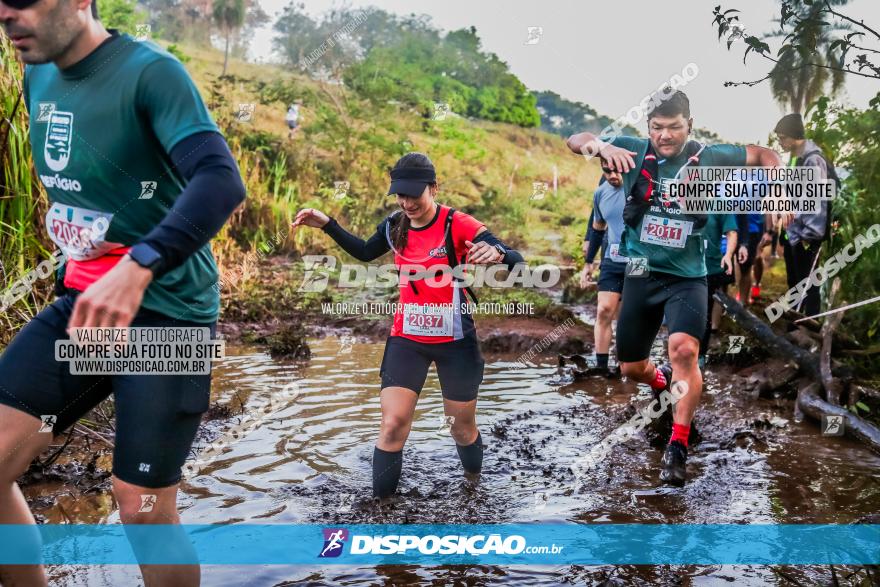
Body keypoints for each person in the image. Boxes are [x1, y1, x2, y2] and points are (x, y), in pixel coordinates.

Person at [0, 1, 246, 585]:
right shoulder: (36, 70)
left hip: (169, 316)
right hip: (86, 306)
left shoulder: (149, 73)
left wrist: (139, 265)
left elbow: (219, 179)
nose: (9, 14)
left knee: (139, 505)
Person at [566, 89, 782, 486]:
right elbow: (575, 140)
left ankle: (677, 447)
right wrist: (597, 146)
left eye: (674, 127)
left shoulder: (711, 156)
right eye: (657, 127)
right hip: (641, 271)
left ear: (690, 125)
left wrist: (777, 185)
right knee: (631, 367)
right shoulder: (631, 151)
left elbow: (765, 155)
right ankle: (663, 383)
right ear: (648, 128)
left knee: (684, 348)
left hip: (688, 275)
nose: (665, 135)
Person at [292, 152, 524, 499]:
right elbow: (364, 253)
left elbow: (513, 258)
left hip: (455, 343)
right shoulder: (393, 225)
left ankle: (474, 487)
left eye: (414, 194)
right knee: (392, 425)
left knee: (461, 429)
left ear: (433, 187)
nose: (407, 202)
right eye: (400, 194)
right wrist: (328, 224)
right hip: (407, 340)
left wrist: (499, 255)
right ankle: (381, 510)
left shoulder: (455, 223)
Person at [771, 113, 831, 317]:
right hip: (793, 231)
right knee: (795, 282)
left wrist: (809, 235)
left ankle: (810, 325)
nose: (780, 142)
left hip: (807, 235)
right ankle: (796, 321)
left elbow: (817, 201)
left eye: (782, 137)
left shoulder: (813, 159)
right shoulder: (795, 158)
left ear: (795, 136)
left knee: (809, 285)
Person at [580, 159, 627, 375]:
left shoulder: (641, 189)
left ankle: (625, 364)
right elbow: (598, 228)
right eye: (607, 171)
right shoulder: (600, 193)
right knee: (604, 310)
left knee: (626, 316)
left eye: (616, 170)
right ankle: (601, 366)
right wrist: (588, 263)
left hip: (639, 263)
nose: (612, 175)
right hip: (611, 259)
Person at [700, 212, 738, 368]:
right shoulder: (680, 202)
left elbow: (732, 233)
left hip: (710, 269)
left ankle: (700, 355)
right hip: (683, 269)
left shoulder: (720, 204)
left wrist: (728, 254)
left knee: (705, 313)